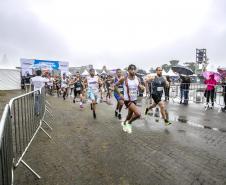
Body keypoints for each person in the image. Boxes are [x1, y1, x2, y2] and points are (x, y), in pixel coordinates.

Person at [115, 64, 145, 133]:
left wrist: (142, 89)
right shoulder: (124, 78)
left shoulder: (137, 78)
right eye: (131, 69)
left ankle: (124, 123)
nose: (133, 71)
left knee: (129, 115)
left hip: (134, 100)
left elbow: (140, 88)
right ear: (128, 70)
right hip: (127, 100)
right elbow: (115, 86)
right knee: (138, 114)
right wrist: (120, 94)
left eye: (134, 69)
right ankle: (129, 123)